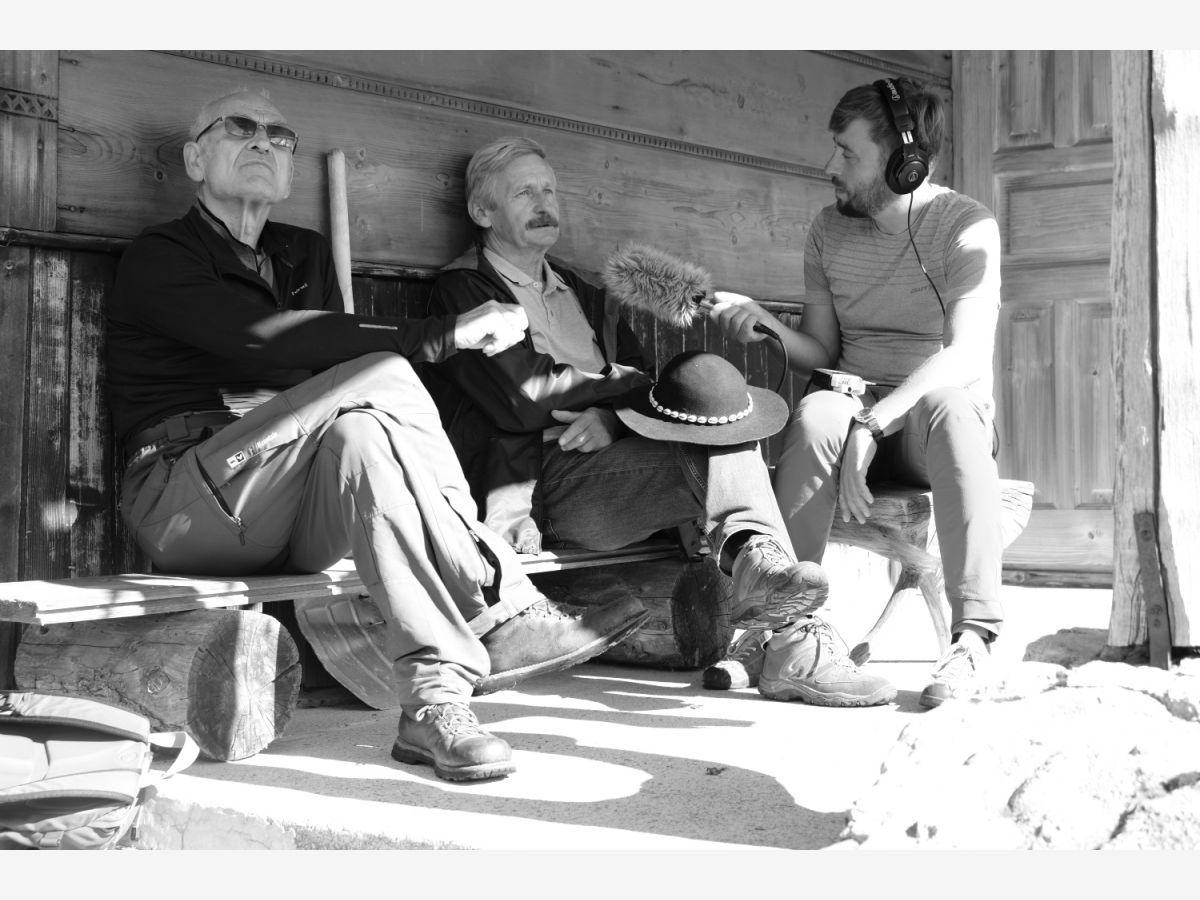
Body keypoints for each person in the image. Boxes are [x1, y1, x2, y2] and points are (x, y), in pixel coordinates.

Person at [104, 89, 651, 783]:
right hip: (186, 496)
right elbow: (259, 340)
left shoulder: (301, 256)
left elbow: (325, 370)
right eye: (239, 128)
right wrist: (441, 334)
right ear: (193, 159)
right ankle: (500, 603)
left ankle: (433, 701)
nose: (263, 141)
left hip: (290, 499)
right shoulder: (162, 256)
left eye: (280, 134)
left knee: (365, 433)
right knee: (384, 375)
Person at [425, 136, 896, 708]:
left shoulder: (582, 292)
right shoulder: (461, 291)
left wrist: (614, 420)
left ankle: (770, 590)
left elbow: (648, 388)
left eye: (550, 190)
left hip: (615, 471)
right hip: (539, 485)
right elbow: (522, 396)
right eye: (525, 193)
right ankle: (785, 624)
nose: (544, 203)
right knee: (716, 440)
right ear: (483, 212)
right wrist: (621, 401)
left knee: (727, 429)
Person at [706, 77, 1004, 708]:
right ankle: (780, 631)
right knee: (817, 413)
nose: (829, 166)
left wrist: (876, 423)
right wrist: (766, 323)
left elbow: (965, 354)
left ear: (904, 161)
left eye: (847, 153)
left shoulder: (967, 227)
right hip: (853, 409)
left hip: (929, 427)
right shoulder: (828, 230)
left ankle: (974, 639)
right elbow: (821, 350)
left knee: (950, 404)